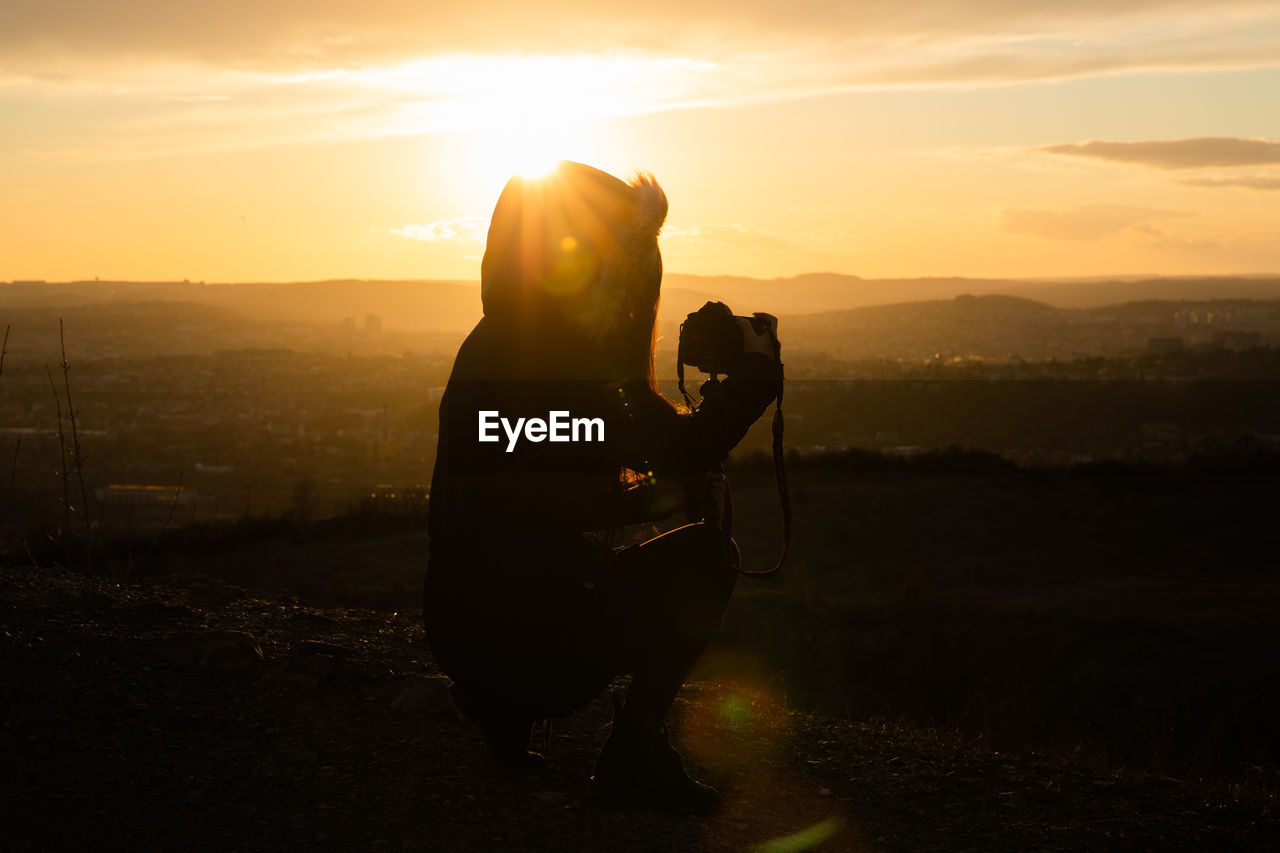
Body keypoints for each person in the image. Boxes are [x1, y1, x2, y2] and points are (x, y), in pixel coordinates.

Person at [423, 161, 782, 814]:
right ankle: (634, 754)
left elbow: (547, 487)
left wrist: (661, 486)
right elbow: (675, 451)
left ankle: (505, 721)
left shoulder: (490, 345)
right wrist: (754, 379)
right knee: (706, 559)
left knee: (531, 558)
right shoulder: (573, 361)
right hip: (528, 642)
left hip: (459, 631)